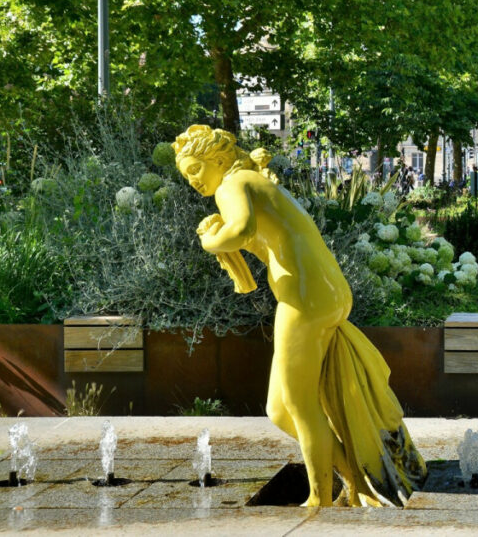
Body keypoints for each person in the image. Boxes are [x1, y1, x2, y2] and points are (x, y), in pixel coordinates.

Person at [172, 126, 426, 507]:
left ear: (218, 160)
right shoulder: (252, 181)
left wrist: (211, 240)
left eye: (194, 170)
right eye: (186, 176)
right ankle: (356, 477)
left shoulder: (231, 184)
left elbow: (241, 229)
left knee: (301, 405)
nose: (192, 181)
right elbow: (266, 240)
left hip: (305, 299)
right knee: (279, 409)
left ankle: (321, 498)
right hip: (325, 293)